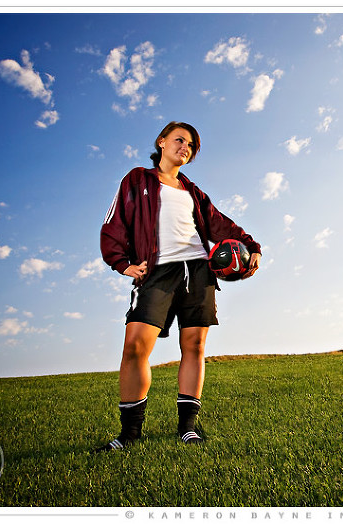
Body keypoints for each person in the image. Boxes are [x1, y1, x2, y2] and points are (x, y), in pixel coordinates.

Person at [96, 121, 261, 450]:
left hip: (198, 271)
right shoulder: (137, 180)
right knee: (135, 347)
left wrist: (251, 246)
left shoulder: (194, 192)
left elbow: (220, 223)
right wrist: (122, 263)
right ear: (161, 142)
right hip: (156, 271)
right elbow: (114, 223)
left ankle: (187, 427)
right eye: (179, 140)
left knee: (195, 348)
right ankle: (129, 433)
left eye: (191, 146)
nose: (185, 147)